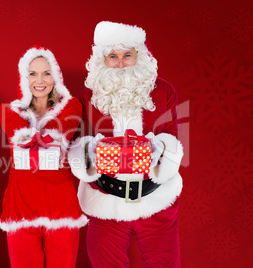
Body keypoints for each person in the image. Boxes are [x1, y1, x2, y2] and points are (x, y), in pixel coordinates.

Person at [68, 21, 184, 267]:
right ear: (103, 60)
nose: (120, 63)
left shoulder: (163, 91)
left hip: (156, 199)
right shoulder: (89, 96)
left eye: (127, 56)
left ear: (139, 57)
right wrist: (90, 153)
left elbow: (173, 135)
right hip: (105, 201)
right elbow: (78, 139)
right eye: (113, 56)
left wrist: (160, 151)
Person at [0, 46, 87, 268]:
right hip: (20, 211)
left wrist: (39, 141)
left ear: (55, 76)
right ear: (23, 78)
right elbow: (20, 133)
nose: (40, 80)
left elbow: (62, 130)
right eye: (33, 73)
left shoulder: (72, 106)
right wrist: (37, 140)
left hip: (61, 209)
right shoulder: (8, 111)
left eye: (46, 73)